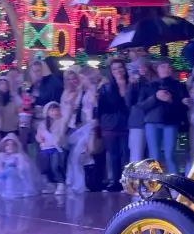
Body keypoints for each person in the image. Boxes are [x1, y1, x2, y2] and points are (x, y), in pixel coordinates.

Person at [140, 59, 189, 174]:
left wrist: (172, 100)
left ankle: (175, 185)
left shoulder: (179, 86)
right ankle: (153, 183)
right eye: (163, 66)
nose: (166, 69)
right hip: (152, 122)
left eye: (168, 67)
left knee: (170, 154)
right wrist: (156, 98)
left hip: (171, 122)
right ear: (157, 69)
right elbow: (141, 105)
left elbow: (184, 106)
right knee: (154, 155)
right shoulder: (149, 85)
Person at [65, 66, 100, 194]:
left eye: (81, 78)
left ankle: (79, 185)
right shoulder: (83, 91)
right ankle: (77, 183)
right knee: (75, 156)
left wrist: (92, 130)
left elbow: (94, 111)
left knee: (77, 156)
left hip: (89, 127)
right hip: (83, 127)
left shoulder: (93, 91)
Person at [97, 59, 130, 191]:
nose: (118, 71)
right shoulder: (106, 87)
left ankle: (126, 182)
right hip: (110, 124)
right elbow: (102, 107)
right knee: (114, 154)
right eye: (115, 68)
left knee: (126, 153)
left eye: (120, 67)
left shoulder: (131, 83)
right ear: (111, 71)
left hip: (127, 123)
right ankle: (115, 181)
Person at [126, 59, 155, 164]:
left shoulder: (157, 82)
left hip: (155, 122)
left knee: (153, 158)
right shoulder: (135, 83)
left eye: (144, 66)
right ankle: (134, 180)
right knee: (136, 157)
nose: (142, 69)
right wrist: (132, 86)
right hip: (138, 123)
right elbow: (130, 102)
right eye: (139, 67)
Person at [36, 102, 67, 194]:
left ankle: (61, 183)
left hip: (57, 147)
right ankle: (51, 184)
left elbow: (62, 134)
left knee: (55, 166)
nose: (54, 112)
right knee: (46, 166)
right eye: (51, 110)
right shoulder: (43, 124)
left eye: (56, 110)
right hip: (45, 148)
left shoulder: (62, 121)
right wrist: (40, 139)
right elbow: (38, 135)